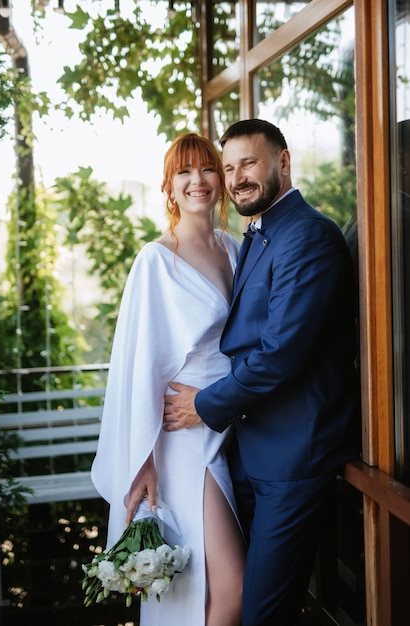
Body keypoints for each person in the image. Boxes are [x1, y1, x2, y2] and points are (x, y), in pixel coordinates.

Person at [163, 119, 360, 626]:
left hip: (295, 457)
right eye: (229, 168)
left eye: (247, 163)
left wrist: (203, 406)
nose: (236, 177)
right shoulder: (258, 234)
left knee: (262, 614)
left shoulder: (307, 235)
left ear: (283, 162)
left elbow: (281, 354)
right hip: (252, 451)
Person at [91, 132, 245, 626]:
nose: (197, 180)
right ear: (169, 186)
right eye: (184, 172)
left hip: (232, 424)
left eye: (206, 169)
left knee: (207, 591)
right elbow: (138, 366)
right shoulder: (155, 260)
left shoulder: (234, 249)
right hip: (184, 441)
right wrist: (143, 462)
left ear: (220, 180)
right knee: (233, 587)